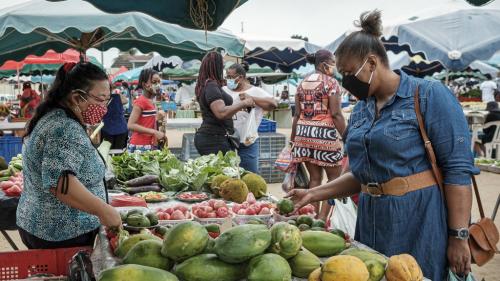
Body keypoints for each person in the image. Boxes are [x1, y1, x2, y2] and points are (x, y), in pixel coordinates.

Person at [287, 11, 477, 281]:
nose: (347, 82)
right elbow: (361, 174)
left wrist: (458, 236)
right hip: (371, 218)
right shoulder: (362, 110)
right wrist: (313, 194)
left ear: (372, 62)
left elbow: (458, 170)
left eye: (350, 73)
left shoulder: (428, 96)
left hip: (418, 220)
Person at [16, 62, 122, 249]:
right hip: (62, 232)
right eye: (100, 99)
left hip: (43, 226)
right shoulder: (64, 128)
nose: (105, 107)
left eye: (107, 100)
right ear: (76, 97)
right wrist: (103, 210)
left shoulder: (54, 116)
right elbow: (60, 183)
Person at [290, 49, 346, 221]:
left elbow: (297, 114)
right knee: (334, 181)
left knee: (314, 179)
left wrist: (293, 140)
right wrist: (347, 136)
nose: (335, 67)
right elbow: (336, 114)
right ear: (324, 64)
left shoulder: (302, 83)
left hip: (303, 135)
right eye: (333, 63)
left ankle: (311, 217)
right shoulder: (331, 83)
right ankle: (322, 220)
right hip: (324, 137)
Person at [194, 51, 255, 156]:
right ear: (216, 66)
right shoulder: (211, 86)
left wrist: (237, 107)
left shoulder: (206, 84)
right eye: (222, 65)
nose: (224, 69)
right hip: (214, 139)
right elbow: (221, 113)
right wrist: (244, 103)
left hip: (214, 137)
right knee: (221, 172)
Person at [223, 62, 277, 173]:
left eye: (231, 77)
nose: (228, 80)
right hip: (226, 139)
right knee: (227, 173)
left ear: (241, 77)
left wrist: (251, 98)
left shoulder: (255, 91)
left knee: (249, 173)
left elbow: (273, 104)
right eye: (227, 77)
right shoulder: (223, 90)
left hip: (247, 140)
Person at [127, 69, 166, 152]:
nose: (158, 85)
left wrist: (157, 119)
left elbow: (147, 122)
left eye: (159, 82)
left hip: (151, 145)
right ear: (144, 85)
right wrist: (154, 132)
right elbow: (130, 125)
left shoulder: (152, 101)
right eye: (154, 82)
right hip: (140, 146)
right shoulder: (141, 101)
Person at [101, 85, 129, 150]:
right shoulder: (117, 96)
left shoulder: (101, 98)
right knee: (119, 152)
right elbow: (126, 101)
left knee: (107, 152)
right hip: (120, 128)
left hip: (108, 128)